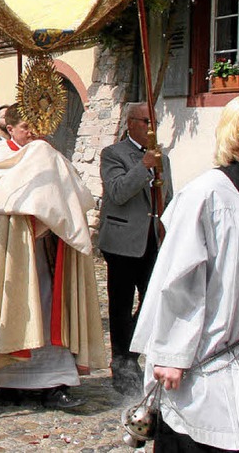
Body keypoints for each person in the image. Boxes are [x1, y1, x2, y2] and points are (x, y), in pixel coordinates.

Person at [130, 95, 239, 451]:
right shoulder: (205, 196)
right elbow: (178, 281)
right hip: (201, 359)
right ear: (236, 136)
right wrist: (171, 357)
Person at [0, 103, 106, 408]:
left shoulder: (50, 154)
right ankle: (7, 383)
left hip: (45, 251)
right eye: (26, 127)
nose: (33, 133)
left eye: (36, 126)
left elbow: (71, 194)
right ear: (11, 129)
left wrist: (54, 216)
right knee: (7, 311)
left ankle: (55, 382)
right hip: (9, 249)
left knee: (48, 311)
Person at [98, 102, 173, 396]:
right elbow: (116, 192)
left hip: (153, 239)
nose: (151, 128)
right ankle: (122, 362)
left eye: (154, 121)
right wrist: (143, 168)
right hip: (122, 240)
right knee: (120, 304)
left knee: (155, 301)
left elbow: (168, 197)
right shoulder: (113, 154)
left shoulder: (163, 159)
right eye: (145, 121)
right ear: (131, 123)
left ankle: (133, 352)